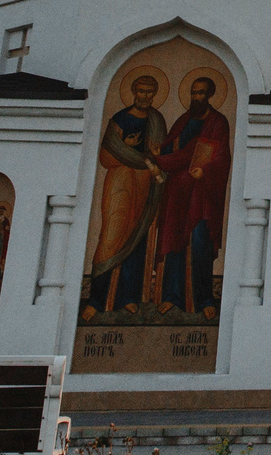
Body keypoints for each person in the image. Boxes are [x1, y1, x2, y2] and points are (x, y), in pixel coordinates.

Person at [89, 75, 168, 315]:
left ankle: (128, 297)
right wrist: (134, 155)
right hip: (120, 186)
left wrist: (155, 158)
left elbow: (161, 155)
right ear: (134, 92)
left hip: (145, 187)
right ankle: (96, 300)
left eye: (150, 92)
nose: (145, 96)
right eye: (141, 91)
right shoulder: (120, 120)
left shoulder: (157, 120)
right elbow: (106, 156)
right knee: (111, 237)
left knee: (138, 240)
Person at [156, 75, 232, 311]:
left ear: (209, 95)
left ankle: (204, 300)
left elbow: (222, 157)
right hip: (178, 194)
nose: (196, 97)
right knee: (175, 239)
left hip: (202, 195)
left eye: (201, 93)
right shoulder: (184, 120)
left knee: (200, 243)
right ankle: (171, 296)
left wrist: (206, 171)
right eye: (193, 92)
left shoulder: (218, 122)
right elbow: (171, 147)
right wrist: (160, 153)